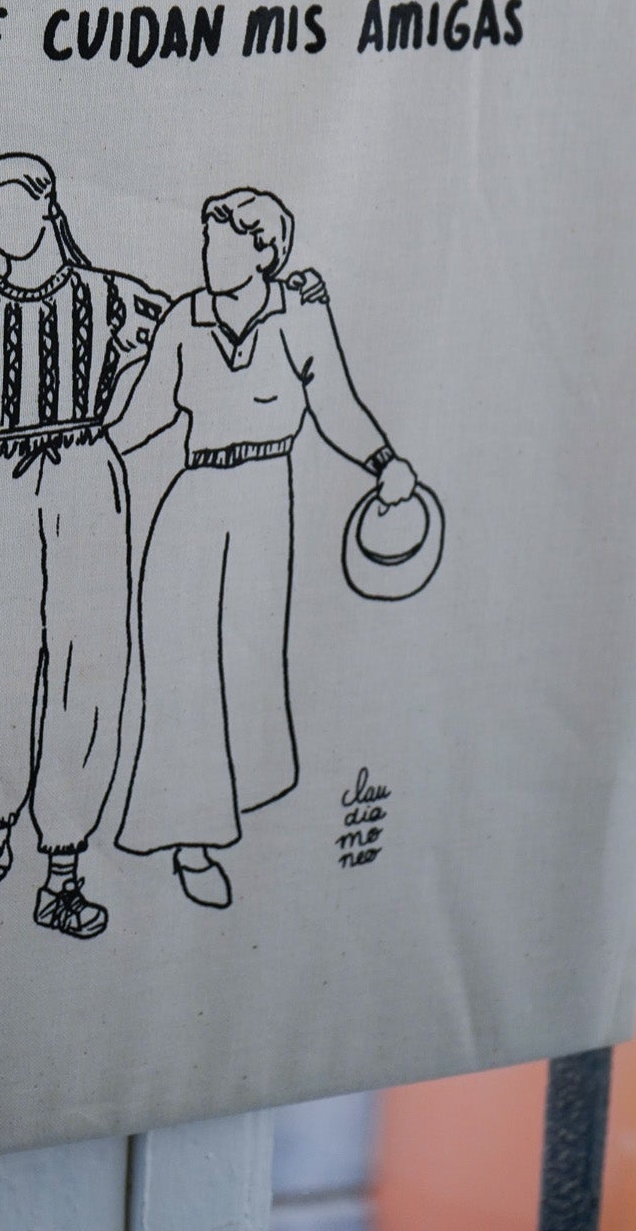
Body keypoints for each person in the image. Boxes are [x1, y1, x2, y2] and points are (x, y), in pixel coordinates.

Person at [111, 187, 417, 910]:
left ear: (263, 252)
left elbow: (335, 405)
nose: (209, 254)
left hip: (263, 502)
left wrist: (383, 462)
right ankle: (189, 839)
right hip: (191, 502)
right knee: (179, 663)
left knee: (242, 663)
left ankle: (233, 805)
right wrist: (84, 458)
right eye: (206, 240)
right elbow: (142, 416)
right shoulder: (184, 319)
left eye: (224, 242)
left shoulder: (299, 317)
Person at [0, 153, 168, 941]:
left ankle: (62, 869)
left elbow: (192, 326)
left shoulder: (111, 297)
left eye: (11, 209)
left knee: (87, 664)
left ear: (46, 206)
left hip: (85, 476)